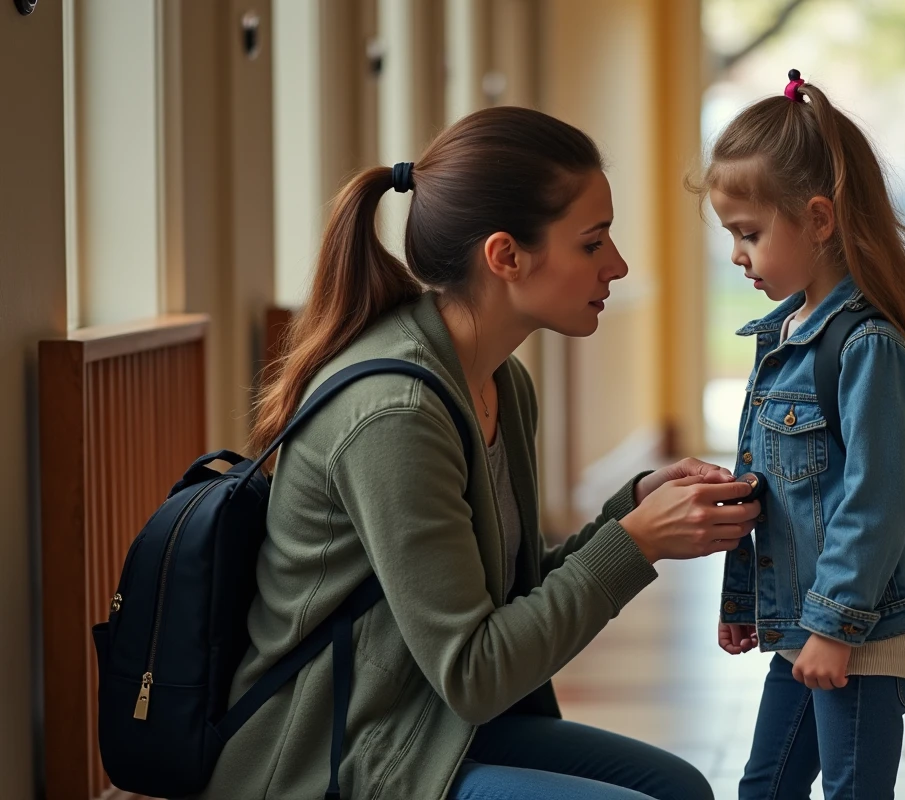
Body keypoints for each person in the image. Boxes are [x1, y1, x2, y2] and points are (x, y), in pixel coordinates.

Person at [198, 106, 762, 800]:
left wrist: (631, 511)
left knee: (680, 789)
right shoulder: (397, 416)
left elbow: (509, 606)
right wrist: (635, 546)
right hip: (333, 758)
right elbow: (475, 671)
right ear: (505, 256)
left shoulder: (498, 382)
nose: (617, 265)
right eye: (593, 243)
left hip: (423, 723)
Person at [695, 70, 905, 799]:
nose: (737, 256)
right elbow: (783, 494)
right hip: (808, 627)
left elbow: (871, 506)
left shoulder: (866, 347)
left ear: (817, 220)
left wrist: (836, 630)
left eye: (749, 234)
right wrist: (747, 605)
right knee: (766, 787)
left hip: (862, 630)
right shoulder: (785, 336)